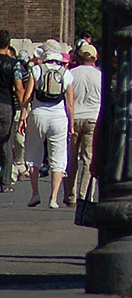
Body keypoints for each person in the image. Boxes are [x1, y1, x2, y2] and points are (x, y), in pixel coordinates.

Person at [24, 43, 73, 208]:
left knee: (33, 154)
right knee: (58, 157)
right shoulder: (66, 74)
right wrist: (71, 124)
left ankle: (35, 193)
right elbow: (70, 104)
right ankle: (54, 198)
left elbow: (27, 97)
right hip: (59, 117)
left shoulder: (36, 70)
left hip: (38, 115)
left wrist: (24, 116)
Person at [63, 42, 100, 207]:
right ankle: (84, 195)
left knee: (71, 159)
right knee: (88, 159)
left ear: (78, 57)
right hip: (93, 118)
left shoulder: (71, 73)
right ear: (95, 58)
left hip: (74, 118)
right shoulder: (100, 76)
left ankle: (70, 195)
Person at [0, 31, 28, 193]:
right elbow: (18, 87)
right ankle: (5, 182)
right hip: (5, 105)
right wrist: (23, 107)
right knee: (6, 144)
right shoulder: (13, 64)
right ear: (8, 44)